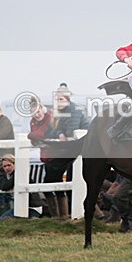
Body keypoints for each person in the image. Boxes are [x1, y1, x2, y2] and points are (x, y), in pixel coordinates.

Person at [41, 84, 87, 219]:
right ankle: (62, 216)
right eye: (57, 99)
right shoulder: (60, 113)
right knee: (54, 177)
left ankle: (73, 215)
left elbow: (70, 132)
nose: (58, 101)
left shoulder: (74, 111)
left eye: (61, 99)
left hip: (79, 149)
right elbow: (51, 132)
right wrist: (59, 132)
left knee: (73, 180)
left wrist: (61, 132)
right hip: (71, 149)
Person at [0, 154, 44, 219]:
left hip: (32, 208)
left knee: (4, 218)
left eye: (9, 165)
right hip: (22, 208)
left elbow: (5, 186)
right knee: (4, 218)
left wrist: (2, 177)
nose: (7, 168)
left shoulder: (19, 174)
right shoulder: (11, 175)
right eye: (4, 166)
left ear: (15, 164)